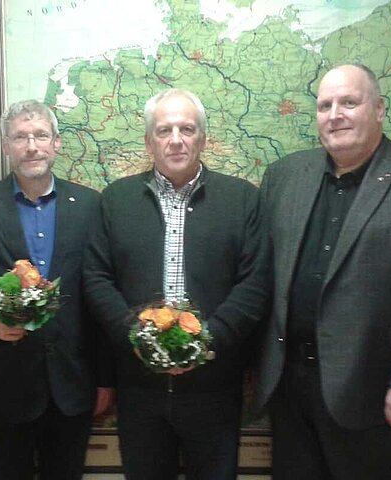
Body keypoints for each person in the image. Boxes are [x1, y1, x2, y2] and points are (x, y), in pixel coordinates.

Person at [255, 64, 391, 479]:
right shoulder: (284, 176)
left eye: (349, 102)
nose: (334, 115)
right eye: (324, 106)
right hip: (289, 389)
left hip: (378, 394)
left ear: (379, 109)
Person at [83, 88, 267, 480]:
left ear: (203, 138)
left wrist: (205, 342)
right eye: (164, 130)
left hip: (214, 387)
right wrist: (136, 336)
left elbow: (255, 283)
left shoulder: (242, 200)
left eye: (187, 129)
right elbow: (96, 278)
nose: (176, 139)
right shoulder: (116, 200)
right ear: (149, 141)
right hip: (139, 388)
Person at [0, 99, 113, 480]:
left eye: (40, 135)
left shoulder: (91, 206)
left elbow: (99, 294)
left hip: (73, 386)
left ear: (56, 143)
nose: (32, 146)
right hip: (5, 386)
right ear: (7, 146)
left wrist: (105, 378)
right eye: (21, 137)